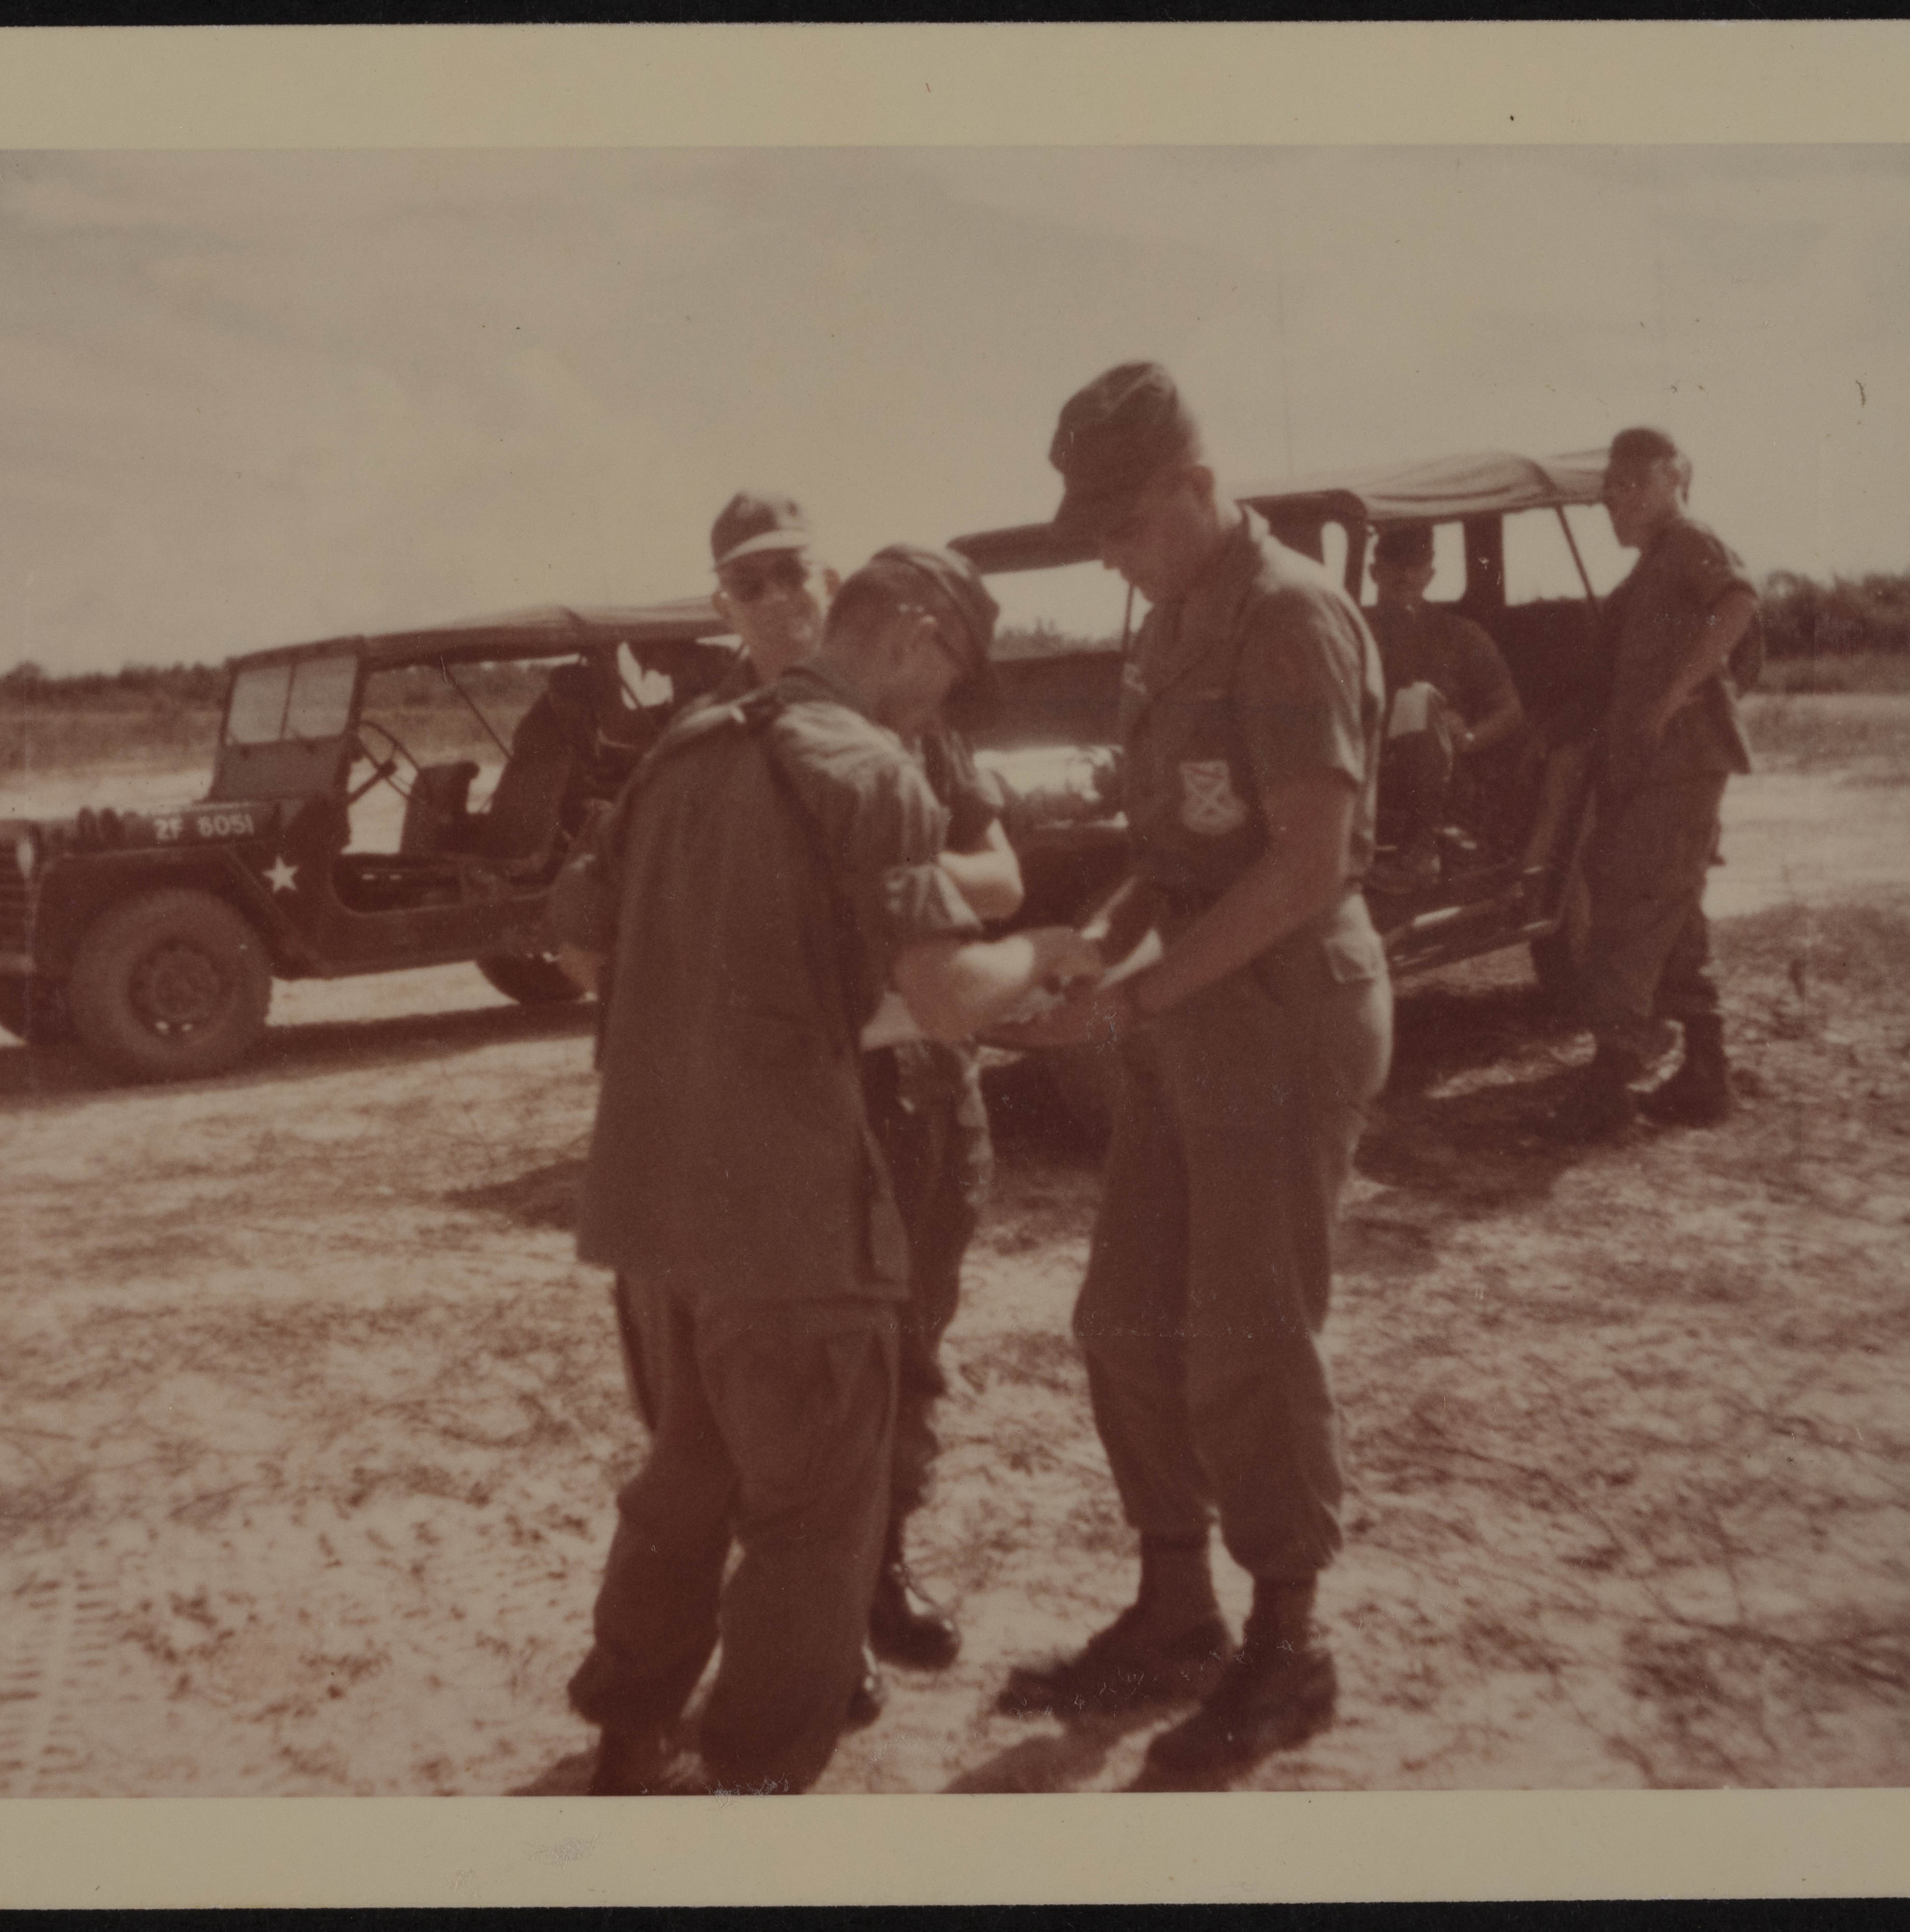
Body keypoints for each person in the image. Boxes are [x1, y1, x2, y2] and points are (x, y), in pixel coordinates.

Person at [551, 545, 1101, 1796]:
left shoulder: (687, 745)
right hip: (790, 1223)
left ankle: (629, 1737)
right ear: (909, 634)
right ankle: (755, 1782)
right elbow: (951, 997)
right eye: (946, 677)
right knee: (813, 1517)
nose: (937, 713)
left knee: (684, 1478)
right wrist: (1042, 952)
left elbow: (586, 944)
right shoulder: (870, 773)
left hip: (652, 1207)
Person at [991, 363, 1393, 1781]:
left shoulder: (1284, 619)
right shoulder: (1168, 624)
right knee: (1122, 1319)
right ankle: (1176, 1607)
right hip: (1190, 1012)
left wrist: (1141, 992)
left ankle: (1289, 1643)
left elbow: (1311, 859)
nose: (1103, 548)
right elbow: (1169, 857)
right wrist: (1088, 956)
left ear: (1191, 486)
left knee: (1248, 1332)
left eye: (1118, 519)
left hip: (1283, 1010)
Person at [682, 492, 1026, 1675]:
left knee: (914, 1345)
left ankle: (875, 1573)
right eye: (750, 582)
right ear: (719, 608)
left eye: (794, 573)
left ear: (835, 589)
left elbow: (1004, 874)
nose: (778, 598)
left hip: (926, 1086)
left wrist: (879, 854)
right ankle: (803, 1616)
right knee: (788, 1380)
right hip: (801, 1105)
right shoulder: (710, 737)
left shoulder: (908, 723)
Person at [1545, 426, 1759, 1141]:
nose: (1618, 503)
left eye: (1635, 486)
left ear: (1675, 480)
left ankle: (1610, 1083)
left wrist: (1674, 694)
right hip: (1653, 770)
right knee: (1671, 908)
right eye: (1610, 492)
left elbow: (1737, 602)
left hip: (1679, 765)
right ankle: (1705, 1071)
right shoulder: (1646, 573)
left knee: (1631, 908)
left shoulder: (1688, 541)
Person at [1364, 523, 1524, 883]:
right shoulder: (1352, 631)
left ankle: (1420, 852)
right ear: (1375, 571)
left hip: (1446, 777)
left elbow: (1510, 710)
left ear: (1430, 574)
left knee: (1418, 698)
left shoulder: (1461, 635)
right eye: (1393, 563)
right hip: (1366, 762)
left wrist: (1469, 737)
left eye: (1415, 565)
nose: (1404, 575)